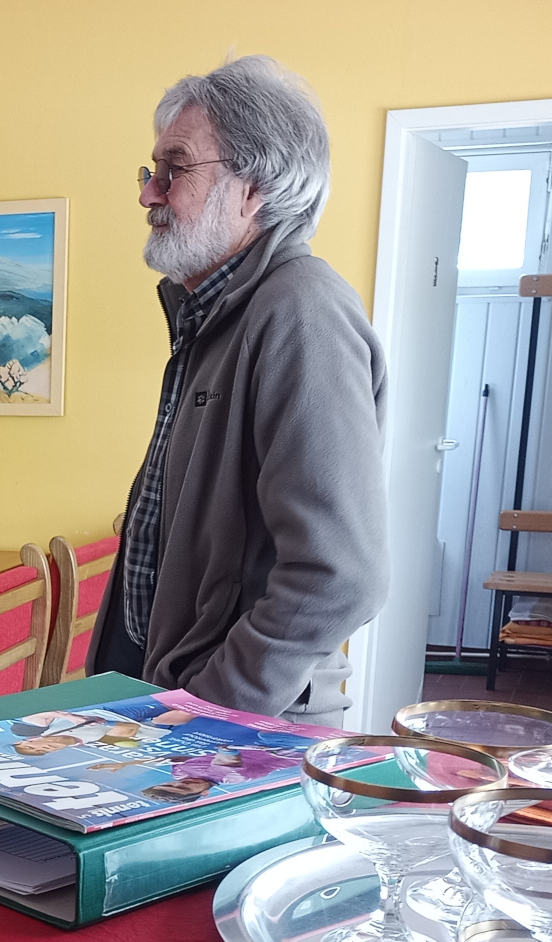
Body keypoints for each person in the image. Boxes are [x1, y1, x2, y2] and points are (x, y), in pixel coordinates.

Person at [89, 55, 388, 727]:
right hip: (173, 709)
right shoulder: (214, 314)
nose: (148, 194)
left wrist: (210, 710)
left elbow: (339, 574)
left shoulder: (301, 312)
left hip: (233, 732)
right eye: (150, 171)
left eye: (175, 168)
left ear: (253, 187)